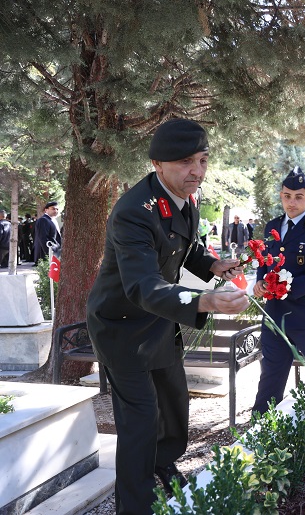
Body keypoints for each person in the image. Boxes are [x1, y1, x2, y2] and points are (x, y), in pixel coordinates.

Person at [86, 118, 249, 514]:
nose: (197, 171)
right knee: (140, 421)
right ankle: (136, 505)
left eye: (203, 160)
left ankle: (163, 465)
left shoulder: (184, 199)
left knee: (175, 404)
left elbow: (184, 249)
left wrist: (213, 264)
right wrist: (206, 302)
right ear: (158, 163)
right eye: (185, 162)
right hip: (121, 326)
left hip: (159, 318)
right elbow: (141, 286)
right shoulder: (133, 212)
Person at [251, 166, 305, 413]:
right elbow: (265, 261)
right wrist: (261, 281)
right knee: (271, 374)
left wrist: (287, 287)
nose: (292, 202)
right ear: (281, 195)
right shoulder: (272, 227)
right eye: (287, 196)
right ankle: (262, 426)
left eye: (299, 196)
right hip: (275, 315)